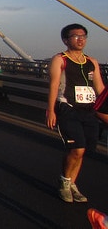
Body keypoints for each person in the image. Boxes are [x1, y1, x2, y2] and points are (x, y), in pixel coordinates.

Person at [45, 23, 105, 203]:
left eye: (84, 36)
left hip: (89, 110)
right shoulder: (60, 59)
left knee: (83, 150)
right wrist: (51, 110)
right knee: (76, 149)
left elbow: (100, 88)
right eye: (76, 36)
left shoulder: (91, 62)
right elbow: (54, 85)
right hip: (67, 108)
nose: (81, 39)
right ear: (65, 40)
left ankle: (72, 183)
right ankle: (64, 182)